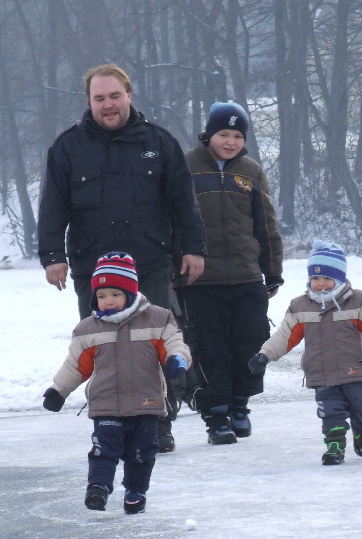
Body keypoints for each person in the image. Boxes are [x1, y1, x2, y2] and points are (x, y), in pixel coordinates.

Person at [38, 63, 206, 453]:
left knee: (153, 346)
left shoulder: (159, 143)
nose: (108, 105)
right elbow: (52, 207)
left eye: (115, 96)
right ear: (89, 102)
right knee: (104, 349)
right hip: (92, 272)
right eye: (100, 98)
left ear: (129, 95)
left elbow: (184, 204)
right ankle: (111, 425)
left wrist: (194, 249)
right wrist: (52, 255)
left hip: (149, 264)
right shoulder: (67, 148)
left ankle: (159, 423)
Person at [42, 252, 192, 514]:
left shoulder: (158, 319)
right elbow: (76, 365)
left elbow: (174, 344)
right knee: (103, 450)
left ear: (131, 292)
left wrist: (177, 360)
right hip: (106, 404)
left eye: (114, 294)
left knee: (142, 453)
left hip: (146, 403)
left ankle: (135, 492)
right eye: (101, 296)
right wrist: (58, 390)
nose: (107, 302)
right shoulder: (88, 330)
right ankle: (98, 489)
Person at [176, 101, 285, 445]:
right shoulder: (186, 167)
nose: (230, 141)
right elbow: (174, 220)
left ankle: (240, 405)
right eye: (223, 133)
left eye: (237, 135)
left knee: (249, 344)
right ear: (209, 134)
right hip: (201, 281)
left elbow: (266, 223)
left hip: (246, 275)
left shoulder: (251, 171)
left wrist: (272, 270)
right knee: (211, 349)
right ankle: (216, 415)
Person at [247, 241, 362, 465]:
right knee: (331, 414)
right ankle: (335, 447)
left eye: (326, 279)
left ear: (338, 279)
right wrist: (265, 355)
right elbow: (285, 335)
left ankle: (361, 430)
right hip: (322, 374)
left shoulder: (357, 302)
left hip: (354, 370)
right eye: (315, 279)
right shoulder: (301, 307)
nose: (320, 284)